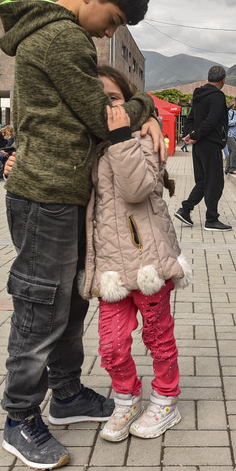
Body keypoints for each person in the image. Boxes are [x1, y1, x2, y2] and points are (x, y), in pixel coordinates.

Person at [0, 0, 160, 470]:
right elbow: (103, 119)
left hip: (61, 194)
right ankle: (19, 416)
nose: (104, 34)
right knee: (42, 306)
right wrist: (147, 107)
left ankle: (65, 395)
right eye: (111, 20)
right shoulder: (63, 35)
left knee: (69, 302)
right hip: (47, 195)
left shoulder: (52, 33)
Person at [86, 66, 191, 442]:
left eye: (114, 99)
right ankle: (126, 397)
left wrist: (123, 137)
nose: (108, 108)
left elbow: (136, 189)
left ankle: (165, 399)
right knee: (110, 345)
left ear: (130, 103)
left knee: (158, 335)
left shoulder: (144, 141)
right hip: (111, 268)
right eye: (99, 101)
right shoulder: (90, 146)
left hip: (148, 261)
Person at [175, 66, 232, 231]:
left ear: (208, 77)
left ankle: (185, 210)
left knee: (203, 181)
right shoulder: (218, 96)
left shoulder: (199, 95)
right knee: (215, 182)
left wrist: (190, 134)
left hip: (199, 146)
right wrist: (194, 135)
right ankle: (211, 220)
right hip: (211, 144)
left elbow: (190, 119)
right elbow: (212, 120)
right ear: (223, 80)